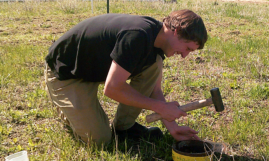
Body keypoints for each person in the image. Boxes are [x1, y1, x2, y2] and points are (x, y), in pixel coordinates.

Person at [45, 9, 207, 146]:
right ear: (176, 31)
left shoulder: (159, 42)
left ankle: (124, 128)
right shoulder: (138, 35)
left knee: (154, 64)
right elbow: (112, 89)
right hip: (67, 73)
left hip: (97, 69)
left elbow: (154, 90)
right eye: (187, 48)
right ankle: (65, 107)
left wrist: (172, 127)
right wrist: (159, 107)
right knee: (99, 140)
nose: (184, 56)